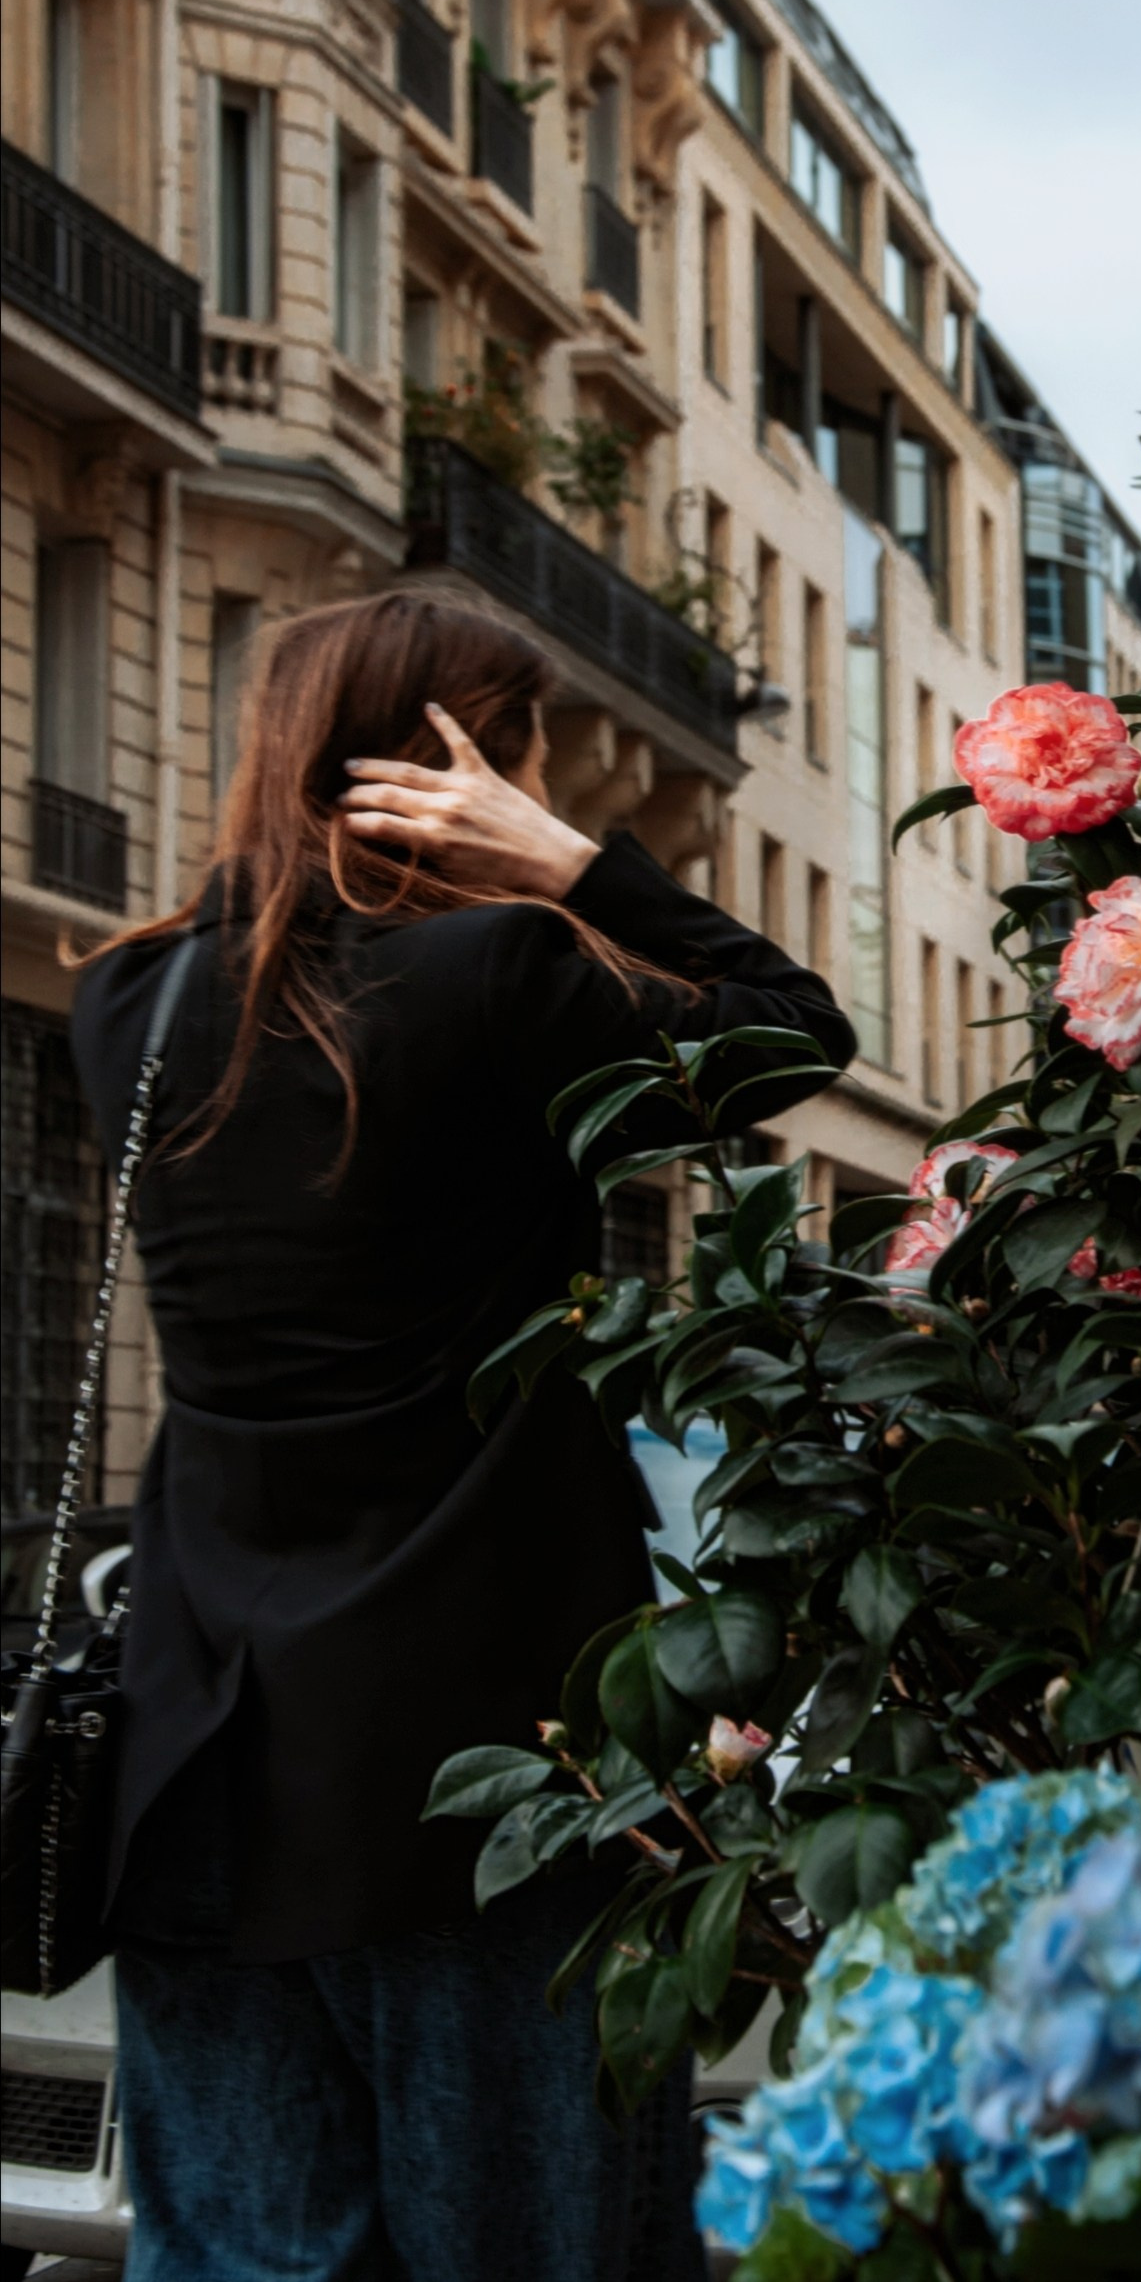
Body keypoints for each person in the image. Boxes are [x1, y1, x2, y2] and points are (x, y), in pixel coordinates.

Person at [69, 591, 856, 2282]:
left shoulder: (127, 1006)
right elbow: (791, 1032)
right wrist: (574, 864)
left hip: (195, 1763)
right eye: (533, 755)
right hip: (479, 1784)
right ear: (465, 765)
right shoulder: (501, 975)